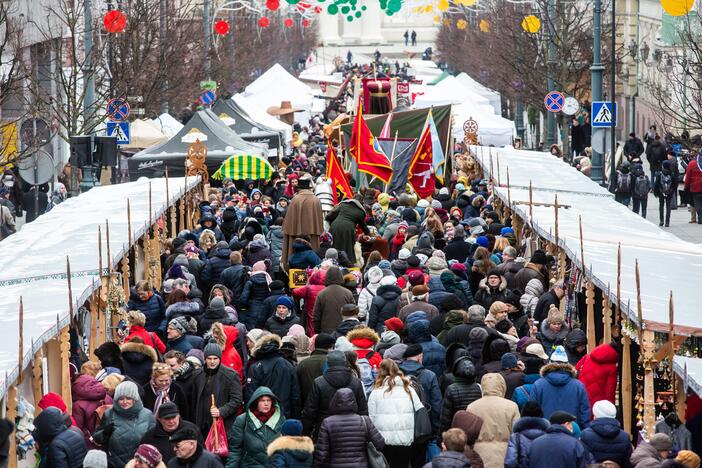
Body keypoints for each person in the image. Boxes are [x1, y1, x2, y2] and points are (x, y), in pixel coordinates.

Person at [368, 359, 423, 468]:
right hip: (405, 438)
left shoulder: (375, 392)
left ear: (381, 372)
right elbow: (419, 409)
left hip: (383, 440)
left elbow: (371, 418)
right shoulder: (409, 389)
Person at [313, 388, 385, 467]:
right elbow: (380, 443)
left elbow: (322, 454)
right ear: (354, 402)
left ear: (334, 402)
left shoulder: (327, 423)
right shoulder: (365, 420)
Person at [302, 350, 368, 436]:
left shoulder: (319, 382)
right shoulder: (356, 382)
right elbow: (363, 410)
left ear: (328, 363)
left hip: (325, 428)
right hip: (351, 429)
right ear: (345, 363)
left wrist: (306, 432)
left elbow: (310, 411)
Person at [92, 381, 156, 468]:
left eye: (128, 398)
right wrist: (104, 433)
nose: (124, 402)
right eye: (121, 399)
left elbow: (155, 441)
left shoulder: (147, 415)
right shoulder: (109, 414)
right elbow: (96, 438)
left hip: (139, 464)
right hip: (113, 464)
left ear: (135, 399)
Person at [465, 373, 520, 467]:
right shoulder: (511, 406)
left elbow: (468, 435)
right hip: (505, 455)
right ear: (502, 386)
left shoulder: (472, 407)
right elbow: (517, 434)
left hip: (479, 456)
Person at [530, 345, 591, 428]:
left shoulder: (538, 385)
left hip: (545, 434)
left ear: (550, 363)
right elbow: (585, 412)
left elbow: (532, 414)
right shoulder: (578, 386)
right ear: (567, 364)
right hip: (571, 433)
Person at [191, 343, 243, 437]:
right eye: (209, 358)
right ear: (205, 359)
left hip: (221, 425)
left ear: (220, 358)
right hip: (201, 425)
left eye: (215, 359)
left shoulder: (230, 375)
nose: (212, 362)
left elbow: (237, 400)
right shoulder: (197, 375)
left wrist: (221, 411)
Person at [226, 386, 285, 468]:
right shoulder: (242, 420)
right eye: (262, 401)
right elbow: (235, 450)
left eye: (268, 400)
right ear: (256, 402)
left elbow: (286, 451)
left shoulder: (281, 420)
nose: (266, 404)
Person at [245, 334, 301, 419]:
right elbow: (295, 395)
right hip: (284, 414)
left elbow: (250, 394)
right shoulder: (288, 365)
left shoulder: (256, 366)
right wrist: (295, 418)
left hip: (261, 417)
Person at [282, 178, 324, 270]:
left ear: (299, 189)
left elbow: (289, 224)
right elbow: (320, 223)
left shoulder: (295, 199)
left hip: (296, 237)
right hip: (312, 236)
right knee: (314, 260)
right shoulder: (316, 200)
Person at [528, 411, 594, 468]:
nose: (572, 427)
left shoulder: (535, 443)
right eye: (571, 424)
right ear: (566, 424)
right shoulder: (574, 444)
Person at [400, 344, 442, 432]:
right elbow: (436, 404)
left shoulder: (396, 375)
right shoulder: (430, 375)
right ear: (419, 357)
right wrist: (434, 428)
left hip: (402, 425)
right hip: (424, 425)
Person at [72, 362, 112, 448]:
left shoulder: (78, 405)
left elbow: (78, 429)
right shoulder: (108, 397)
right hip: (107, 443)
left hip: (88, 445)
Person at [580, 400, 632, 466]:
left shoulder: (585, 435)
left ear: (595, 416)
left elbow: (585, 460)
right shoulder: (624, 437)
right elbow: (627, 463)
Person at [439, 355, 481, 432]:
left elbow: (446, 417)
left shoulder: (451, 389)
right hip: (475, 430)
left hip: (457, 432)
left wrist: (442, 436)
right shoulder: (479, 387)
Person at [504, 401, 550, 468]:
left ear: (523, 414)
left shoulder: (516, 437)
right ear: (541, 414)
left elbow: (510, 462)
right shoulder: (549, 437)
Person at [296, 333, 335, 405]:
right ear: (330, 347)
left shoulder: (303, 364)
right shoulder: (332, 362)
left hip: (307, 405)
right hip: (329, 406)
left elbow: (296, 388)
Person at [327, 198, 369, 265]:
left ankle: (330, 263)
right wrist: (368, 232)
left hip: (335, 226)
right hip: (348, 230)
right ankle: (347, 266)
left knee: (333, 246)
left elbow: (329, 216)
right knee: (347, 249)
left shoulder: (343, 204)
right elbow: (363, 226)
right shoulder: (361, 212)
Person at [313, 267, 355, 334]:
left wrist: (317, 332)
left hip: (326, 332)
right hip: (345, 331)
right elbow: (354, 313)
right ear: (340, 277)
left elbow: (316, 317)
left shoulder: (321, 294)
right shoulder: (348, 293)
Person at [577, 342, 619, 408]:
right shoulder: (612, 368)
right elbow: (610, 392)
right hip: (597, 404)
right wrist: (611, 408)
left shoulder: (588, 356)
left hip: (580, 396)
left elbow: (576, 370)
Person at [655, 160, 678, 226]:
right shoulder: (671, 174)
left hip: (661, 192)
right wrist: (672, 191)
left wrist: (656, 193)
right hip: (669, 192)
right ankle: (667, 222)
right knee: (668, 206)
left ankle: (661, 220)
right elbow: (675, 184)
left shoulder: (659, 174)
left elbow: (656, 184)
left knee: (661, 206)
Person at [684, 153, 702, 224]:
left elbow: (688, 177)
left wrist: (686, 187)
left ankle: (700, 218)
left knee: (697, 203)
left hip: (696, 187)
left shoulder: (692, 164)